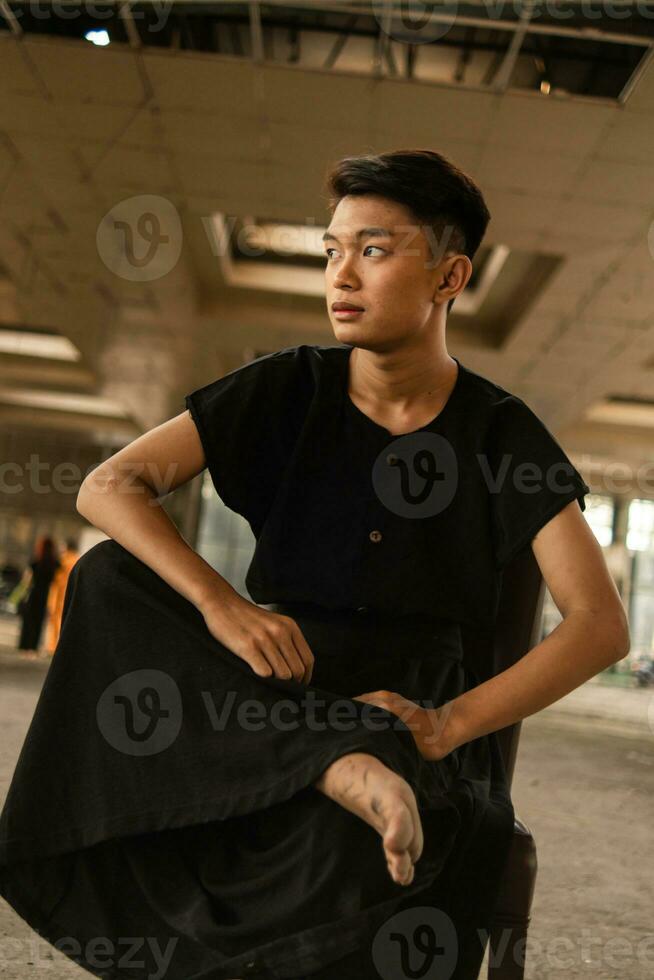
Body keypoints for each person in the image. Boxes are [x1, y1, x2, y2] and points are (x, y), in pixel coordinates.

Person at [0, 149, 630, 980]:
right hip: (270, 681)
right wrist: (224, 604)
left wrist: (448, 724)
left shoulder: (500, 434)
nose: (341, 274)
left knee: (343, 855)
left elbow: (600, 624)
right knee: (110, 577)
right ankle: (334, 760)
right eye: (331, 251)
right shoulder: (289, 385)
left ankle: (354, 762)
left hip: (404, 712)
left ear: (450, 276)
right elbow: (109, 486)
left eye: (373, 250)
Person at [16, 535, 60, 659]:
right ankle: (33, 649)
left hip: (33, 594)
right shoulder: (54, 563)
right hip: (45, 596)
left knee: (28, 622)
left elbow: (26, 580)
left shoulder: (35, 562)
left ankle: (25, 648)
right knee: (39, 623)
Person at [44, 538, 80, 657]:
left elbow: (56, 578)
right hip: (70, 593)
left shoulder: (64, 559)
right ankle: (58, 647)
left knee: (55, 621)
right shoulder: (77, 559)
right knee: (63, 621)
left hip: (59, 593)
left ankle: (52, 647)